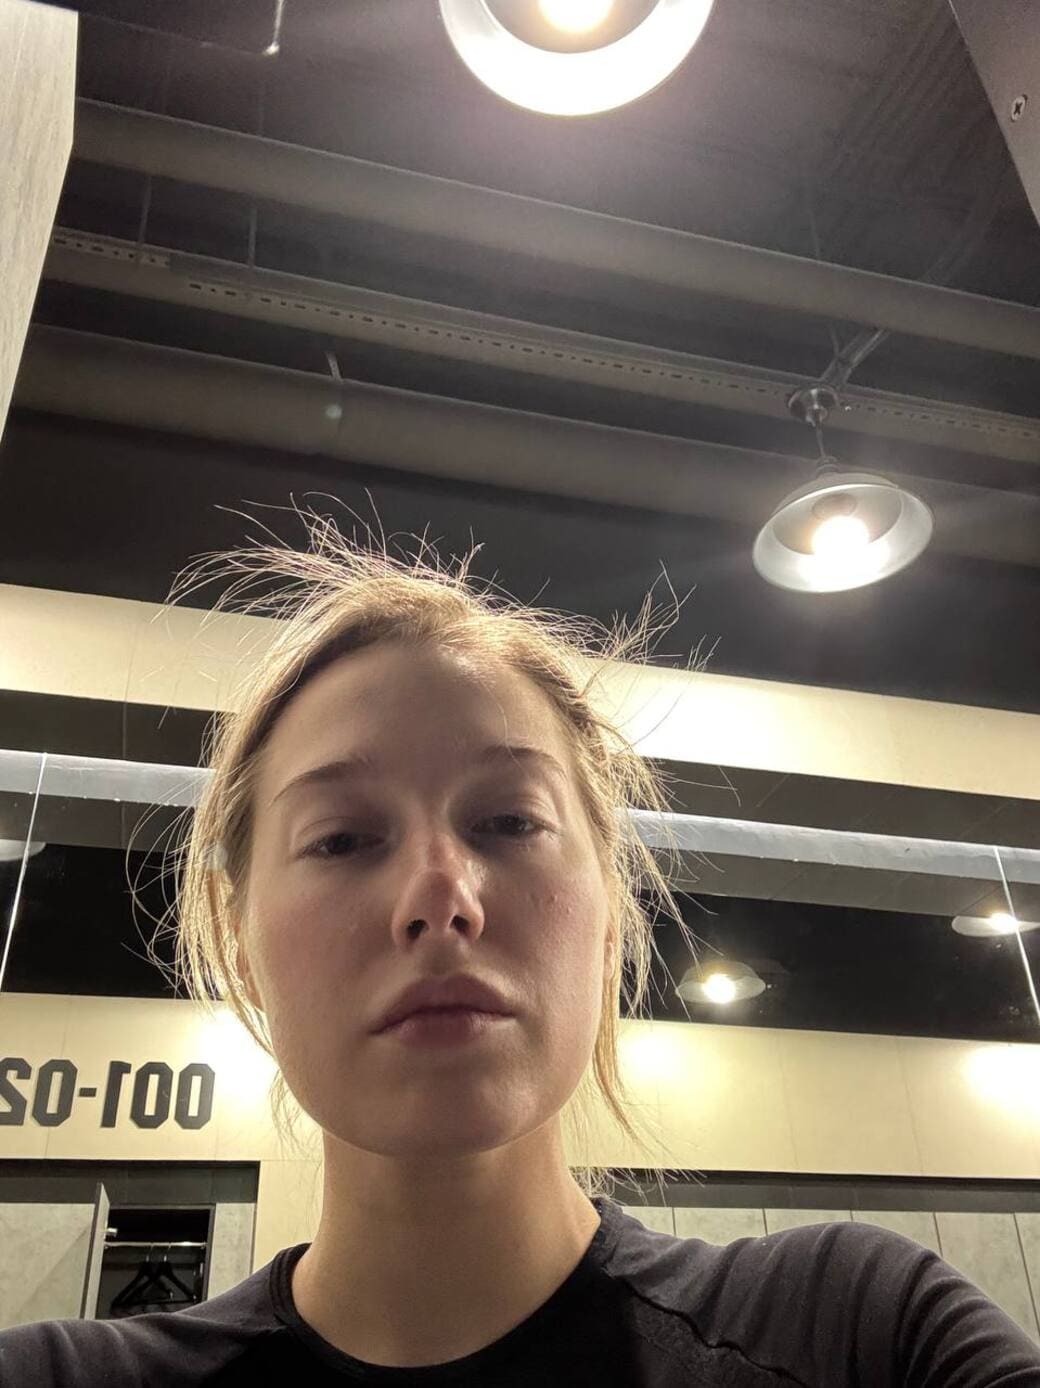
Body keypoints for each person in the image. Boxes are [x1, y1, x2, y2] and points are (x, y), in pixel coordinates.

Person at [3, 522, 1039, 1386]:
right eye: (343, 838)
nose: (439, 899)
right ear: (238, 941)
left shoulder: (856, 1332)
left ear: (609, 908)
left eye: (507, 821)